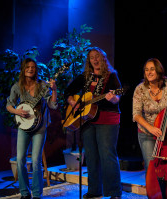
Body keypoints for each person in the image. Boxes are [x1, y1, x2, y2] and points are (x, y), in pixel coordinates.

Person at [64, 47, 122, 199]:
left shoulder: (111, 76)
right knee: (90, 156)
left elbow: (118, 96)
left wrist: (113, 98)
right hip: (87, 120)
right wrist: (73, 102)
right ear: (89, 61)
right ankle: (95, 190)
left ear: (103, 58)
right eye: (91, 57)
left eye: (97, 56)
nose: (95, 60)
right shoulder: (85, 77)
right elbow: (68, 92)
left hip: (107, 119)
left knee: (107, 155)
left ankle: (114, 192)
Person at [6, 58, 58, 199]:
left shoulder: (42, 85)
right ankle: (24, 193)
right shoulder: (17, 86)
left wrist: (54, 90)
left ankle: (36, 194)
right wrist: (17, 111)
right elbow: (9, 105)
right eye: (28, 67)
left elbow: (53, 105)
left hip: (39, 127)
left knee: (36, 161)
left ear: (36, 70)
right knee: (21, 159)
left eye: (33, 67)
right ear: (23, 69)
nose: (30, 69)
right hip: (23, 126)